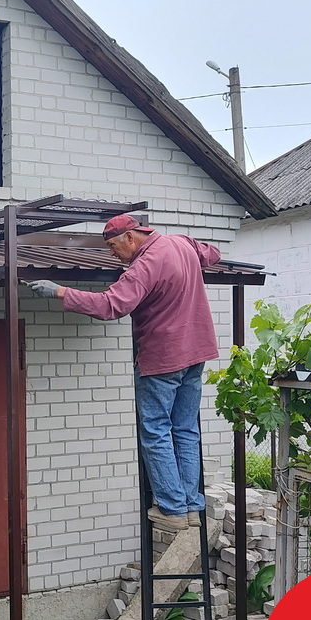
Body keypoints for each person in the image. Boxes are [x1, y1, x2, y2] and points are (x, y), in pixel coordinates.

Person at [27, 213, 220, 531]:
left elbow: (110, 305)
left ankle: (172, 509)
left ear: (130, 237)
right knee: (185, 430)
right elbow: (212, 253)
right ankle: (190, 507)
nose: (112, 254)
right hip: (196, 353)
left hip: (163, 359)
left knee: (156, 431)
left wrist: (60, 291)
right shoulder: (181, 244)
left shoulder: (145, 265)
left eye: (113, 247)